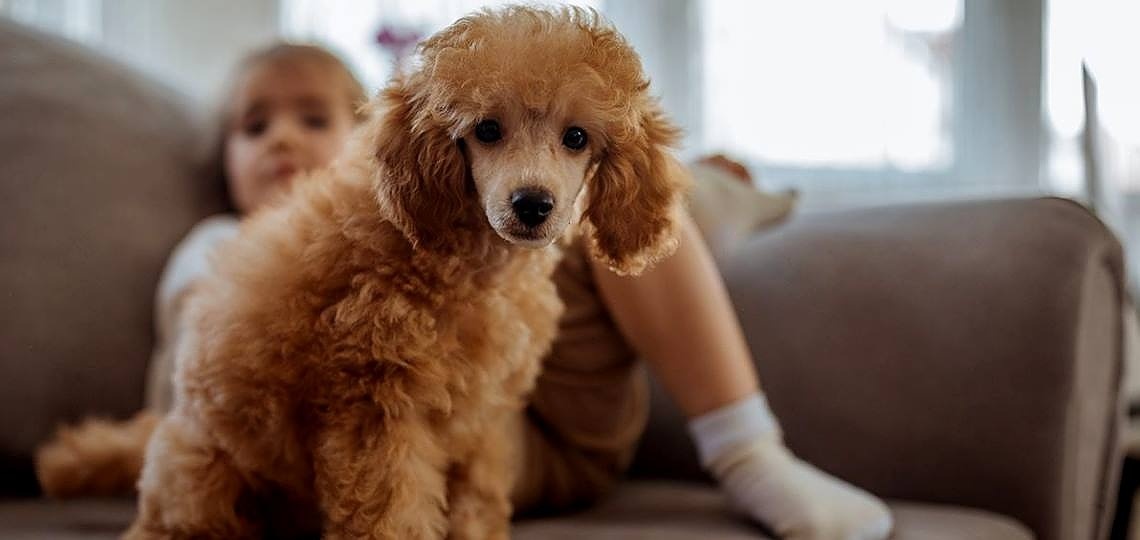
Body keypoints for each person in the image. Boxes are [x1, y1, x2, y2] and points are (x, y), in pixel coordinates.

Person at [49, 41, 892, 540]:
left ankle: (747, 444)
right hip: (388, 444)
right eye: (254, 125)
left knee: (614, 187)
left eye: (315, 119)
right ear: (426, 147)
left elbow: (571, 188)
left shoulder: (452, 199)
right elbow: (193, 391)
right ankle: (699, 187)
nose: (283, 144)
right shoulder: (216, 245)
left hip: (533, 380)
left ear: (369, 142)